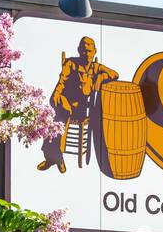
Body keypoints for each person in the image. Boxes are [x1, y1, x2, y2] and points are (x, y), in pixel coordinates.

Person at [38, 36, 118, 173]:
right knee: (59, 116)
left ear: (95, 51)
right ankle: (55, 157)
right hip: (65, 102)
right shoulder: (71, 63)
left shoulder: (96, 68)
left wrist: (101, 77)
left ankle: (54, 158)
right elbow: (62, 81)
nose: (86, 54)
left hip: (80, 109)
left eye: (89, 51)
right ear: (79, 50)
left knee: (59, 119)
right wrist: (56, 96)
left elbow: (115, 75)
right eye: (84, 50)